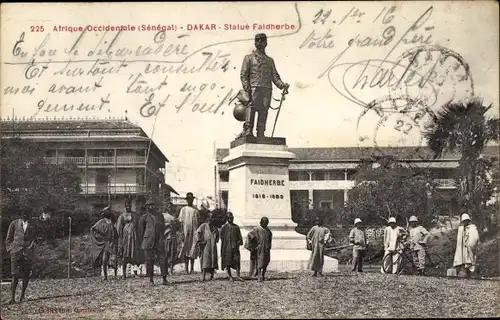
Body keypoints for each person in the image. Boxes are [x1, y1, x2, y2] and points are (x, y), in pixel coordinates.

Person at [237, 33, 290, 138]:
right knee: (251, 108)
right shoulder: (248, 58)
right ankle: (248, 130)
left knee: (264, 110)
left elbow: (275, 76)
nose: (260, 42)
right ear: (255, 43)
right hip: (253, 88)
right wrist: (247, 88)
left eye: (262, 40)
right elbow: (244, 74)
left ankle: (261, 132)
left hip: (266, 89)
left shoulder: (270, 61)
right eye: (258, 40)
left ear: (266, 43)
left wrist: (282, 85)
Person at [5, 207, 38, 304]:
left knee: (26, 274)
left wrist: (30, 248)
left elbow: (35, 238)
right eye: (23, 214)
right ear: (20, 215)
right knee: (14, 275)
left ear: (29, 215)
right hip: (16, 252)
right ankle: (12, 298)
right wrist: (10, 249)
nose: (25, 216)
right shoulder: (14, 223)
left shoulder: (33, 225)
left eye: (27, 214)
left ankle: (22, 296)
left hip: (27, 253)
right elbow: (8, 238)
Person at [139, 199, 167, 286]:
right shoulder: (143, 217)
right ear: (146, 207)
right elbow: (141, 231)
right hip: (148, 241)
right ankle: (151, 279)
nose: (151, 207)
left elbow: (163, 229)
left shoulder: (160, 216)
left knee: (163, 259)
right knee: (149, 261)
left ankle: (164, 278)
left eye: (153, 205)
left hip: (158, 240)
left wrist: (162, 239)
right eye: (149, 205)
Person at [90, 206, 118, 281]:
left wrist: (115, 238)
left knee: (114, 258)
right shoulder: (101, 222)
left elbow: (115, 231)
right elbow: (93, 229)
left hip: (113, 242)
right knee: (105, 259)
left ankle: (115, 274)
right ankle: (105, 275)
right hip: (106, 243)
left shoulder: (112, 221)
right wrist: (101, 237)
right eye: (107, 212)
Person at [116, 198, 141, 279]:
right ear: (125, 206)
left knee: (135, 255)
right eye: (126, 205)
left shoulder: (135, 215)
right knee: (125, 255)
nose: (128, 206)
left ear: (131, 205)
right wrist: (120, 240)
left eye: (129, 205)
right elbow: (119, 229)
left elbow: (139, 227)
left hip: (134, 237)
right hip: (126, 238)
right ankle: (124, 274)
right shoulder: (122, 216)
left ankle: (136, 273)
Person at [178, 192, 200, 274]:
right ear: (187, 200)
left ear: (193, 200)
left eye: (191, 199)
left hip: (194, 232)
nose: (190, 201)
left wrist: (197, 233)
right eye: (189, 199)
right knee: (186, 249)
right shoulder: (183, 209)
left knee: (193, 249)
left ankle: (192, 268)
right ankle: (186, 269)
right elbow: (180, 222)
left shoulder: (195, 210)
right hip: (185, 232)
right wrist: (182, 233)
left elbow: (198, 221)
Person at [453, 213, 480, 278]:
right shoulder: (463, 229)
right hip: (465, 247)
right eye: (464, 221)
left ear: (468, 221)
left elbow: (475, 238)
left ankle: (472, 273)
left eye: (466, 221)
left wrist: (470, 244)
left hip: (469, 246)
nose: (465, 222)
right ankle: (466, 272)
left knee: (471, 258)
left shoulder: (472, 228)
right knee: (466, 258)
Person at [247, 217, 273, 282]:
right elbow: (250, 235)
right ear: (261, 222)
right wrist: (254, 245)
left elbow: (270, 239)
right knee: (259, 263)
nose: (265, 224)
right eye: (264, 222)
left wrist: (269, 246)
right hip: (260, 249)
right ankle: (258, 276)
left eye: (266, 223)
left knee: (266, 262)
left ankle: (263, 275)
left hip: (266, 249)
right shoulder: (257, 229)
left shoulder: (268, 231)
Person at [220, 212, 243, 281]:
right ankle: (230, 276)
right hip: (227, 247)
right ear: (227, 219)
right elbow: (222, 237)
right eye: (229, 218)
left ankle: (238, 275)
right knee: (228, 262)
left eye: (232, 218)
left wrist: (237, 243)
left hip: (235, 247)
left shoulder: (236, 227)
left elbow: (240, 237)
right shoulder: (224, 227)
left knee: (237, 261)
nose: (231, 219)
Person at [196, 215, 219, 281]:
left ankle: (212, 275)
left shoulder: (215, 228)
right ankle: (203, 275)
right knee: (205, 261)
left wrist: (215, 240)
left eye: (211, 219)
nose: (210, 221)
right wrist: (200, 241)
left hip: (213, 246)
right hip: (205, 246)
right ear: (207, 219)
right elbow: (197, 233)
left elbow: (217, 237)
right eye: (209, 219)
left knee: (213, 260)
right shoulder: (203, 226)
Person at [162, 201, 178, 275]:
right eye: (168, 206)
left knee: (172, 253)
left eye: (171, 207)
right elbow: (161, 225)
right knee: (166, 253)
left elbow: (176, 227)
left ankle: (171, 269)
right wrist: (168, 224)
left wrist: (176, 224)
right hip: (166, 237)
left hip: (173, 236)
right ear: (166, 207)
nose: (170, 208)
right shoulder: (163, 215)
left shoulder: (174, 216)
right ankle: (165, 270)